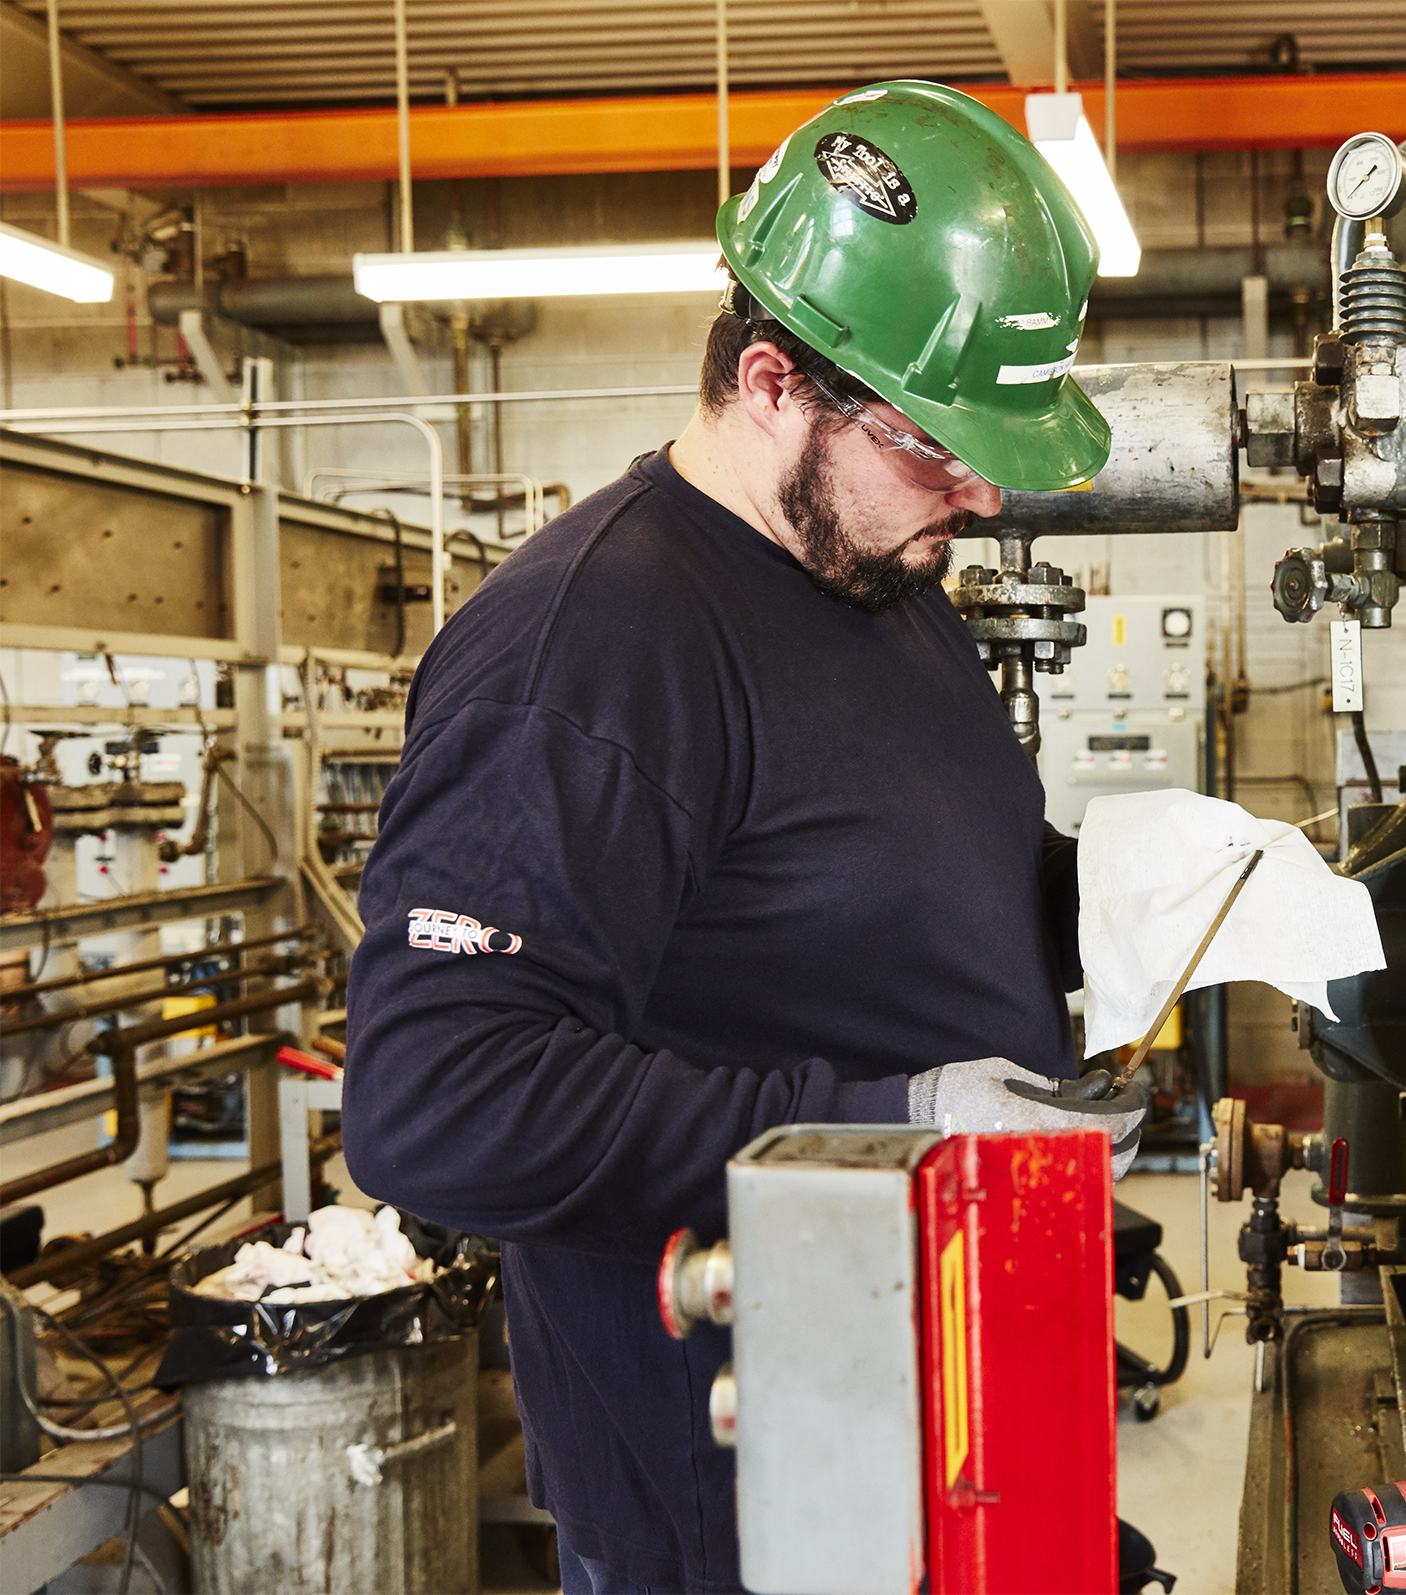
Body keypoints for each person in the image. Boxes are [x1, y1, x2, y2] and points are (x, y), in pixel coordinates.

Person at [344, 79, 1148, 1595]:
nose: (978, 496)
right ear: (774, 379)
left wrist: (1124, 893)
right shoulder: (590, 650)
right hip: (744, 1489)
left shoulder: (879, 582)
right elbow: (432, 1103)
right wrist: (900, 1119)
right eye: (936, 448)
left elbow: (919, 877)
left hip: (958, 1407)